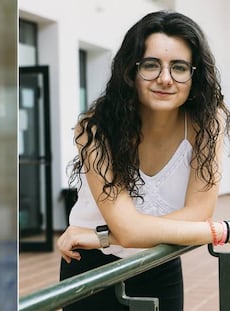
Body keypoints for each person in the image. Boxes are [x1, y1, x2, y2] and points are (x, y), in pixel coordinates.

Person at [57, 10, 230, 311]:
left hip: (157, 260)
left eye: (179, 67)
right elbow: (129, 230)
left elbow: (198, 213)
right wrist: (221, 230)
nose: (165, 79)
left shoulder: (207, 124)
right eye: (151, 65)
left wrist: (101, 237)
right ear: (131, 70)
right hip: (89, 268)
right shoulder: (95, 129)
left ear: (194, 74)